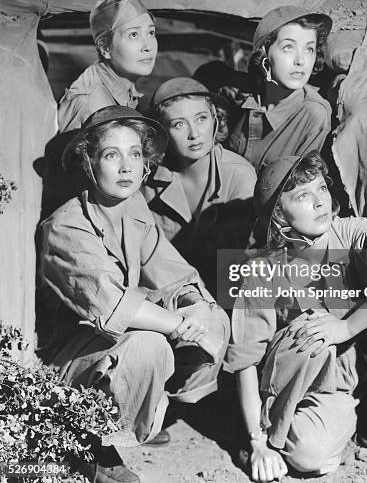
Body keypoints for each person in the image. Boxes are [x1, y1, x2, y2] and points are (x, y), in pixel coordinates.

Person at [41, 106, 229, 483]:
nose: (126, 167)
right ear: (88, 163)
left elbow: (175, 273)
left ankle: (131, 419)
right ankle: (87, 444)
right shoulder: (65, 226)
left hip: (106, 350)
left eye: (135, 154)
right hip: (63, 366)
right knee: (150, 346)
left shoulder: (133, 209)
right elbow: (111, 306)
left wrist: (197, 308)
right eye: (112, 155)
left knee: (213, 315)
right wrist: (179, 325)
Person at [225, 153, 367, 482]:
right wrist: (257, 443)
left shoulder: (351, 233)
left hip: (343, 384)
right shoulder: (262, 267)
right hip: (291, 376)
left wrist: (346, 327)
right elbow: (246, 358)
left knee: (310, 457)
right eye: (303, 195)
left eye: (321, 188)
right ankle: (271, 424)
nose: (319, 202)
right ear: (277, 215)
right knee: (311, 331)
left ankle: (336, 422)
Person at [143, 77, 257, 292]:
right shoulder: (149, 184)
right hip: (173, 294)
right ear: (162, 132)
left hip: (231, 293)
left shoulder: (238, 175)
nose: (194, 134)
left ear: (216, 119)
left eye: (201, 119)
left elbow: (245, 262)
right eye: (179, 124)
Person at [227, 6, 333, 171]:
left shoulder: (314, 115)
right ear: (264, 55)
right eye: (288, 47)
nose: (301, 61)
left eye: (309, 49)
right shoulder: (245, 95)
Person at [57, 0, 157, 132]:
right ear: (105, 48)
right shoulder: (88, 105)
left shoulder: (126, 88)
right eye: (134, 34)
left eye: (151, 32)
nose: (148, 46)